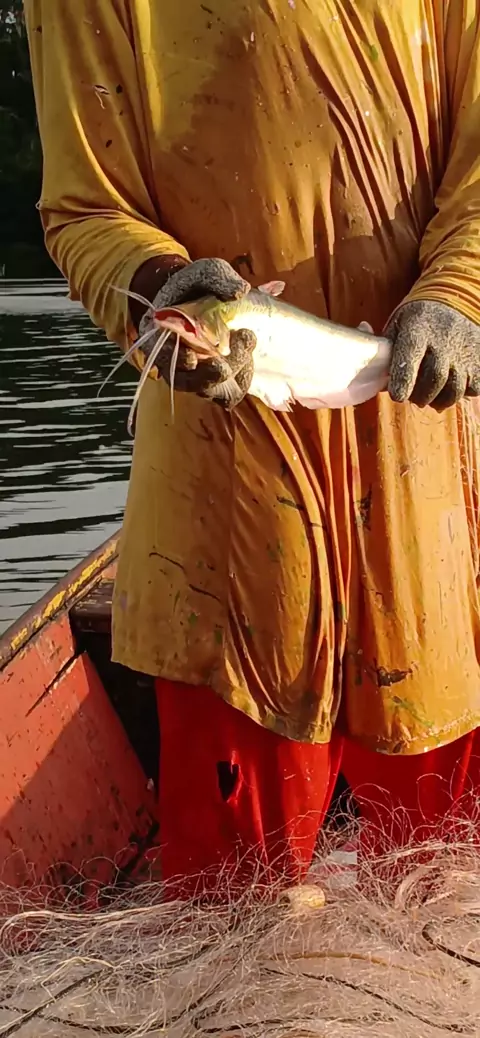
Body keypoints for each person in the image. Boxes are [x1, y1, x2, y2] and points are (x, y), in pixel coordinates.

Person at [25, 0, 480, 895]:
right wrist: (160, 285)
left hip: (426, 472)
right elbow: (85, 208)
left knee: (448, 884)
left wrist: (463, 289)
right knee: (230, 898)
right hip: (223, 511)